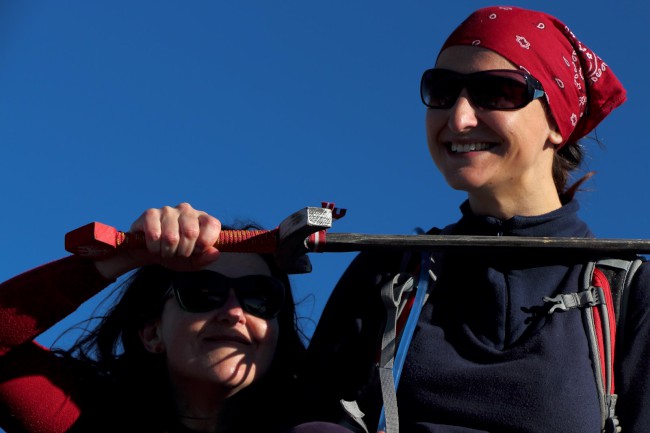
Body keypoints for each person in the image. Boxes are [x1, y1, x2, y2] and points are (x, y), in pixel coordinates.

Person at [286, 5, 649, 433]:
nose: (458, 118)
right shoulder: (388, 275)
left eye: (496, 92)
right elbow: (308, 415)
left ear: (557, 122)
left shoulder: (626, 294)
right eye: (442, 90)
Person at [0, 204, 347, 433]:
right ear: (152, 333)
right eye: (202, 293)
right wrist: (125, 257)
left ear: (276, 331)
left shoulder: (325, 423)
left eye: (259, 296)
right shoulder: (87, 420)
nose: (233, 313)